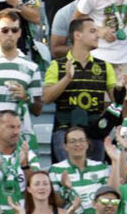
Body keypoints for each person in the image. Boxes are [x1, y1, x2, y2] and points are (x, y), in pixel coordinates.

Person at [43, 18, 117, 162]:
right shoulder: (56, 65)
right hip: (65, 128)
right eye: (92, 31)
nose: (97, 35)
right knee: (67, 170)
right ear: (77, 35)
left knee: (96, 172)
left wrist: (121, 90)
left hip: (94, 129)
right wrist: (67, 79)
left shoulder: (105, 66)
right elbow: (46, 98)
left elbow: (116, 99)